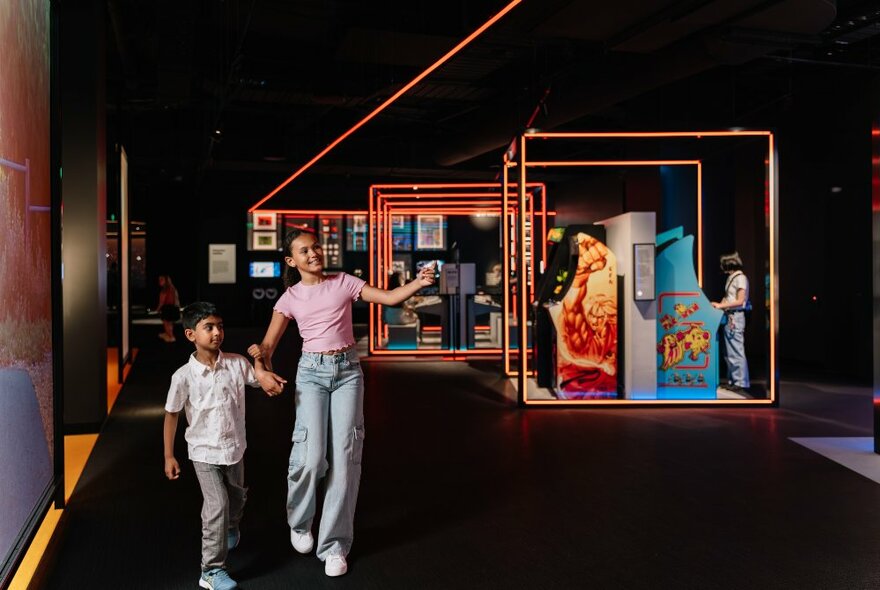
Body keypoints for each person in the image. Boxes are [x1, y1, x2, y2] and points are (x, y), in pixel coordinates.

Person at [248, 228, 435, 577]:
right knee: (312, 455)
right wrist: (261, 366)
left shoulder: (345, 282)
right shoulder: (289, 298)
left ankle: (334, 545)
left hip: (348, 371)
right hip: (312, 374)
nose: (314, 253)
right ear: (292, 261)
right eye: (304, 251)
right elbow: (267, 347)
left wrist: (418, 284)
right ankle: (301, 522)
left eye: (315, 247)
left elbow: (391, 298)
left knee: (346, 457)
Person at [163, 302, 268, 590]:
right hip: (203, 452)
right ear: (190, 334)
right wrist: (169, 455)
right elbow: (172, 414)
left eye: (220, 326)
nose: (217, 332)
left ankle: (231, 526)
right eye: (208, 327)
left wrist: (260, 361)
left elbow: (260, 382)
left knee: (236, 499)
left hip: (234, 448)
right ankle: (211, 570)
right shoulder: (183, 376)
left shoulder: (236, 363)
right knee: (217, 504)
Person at [711, 252, 751, 394]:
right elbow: (728, 298)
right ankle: (734, 381)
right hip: (729, 316)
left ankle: (740, 382)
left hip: (736, 317)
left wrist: (721, 306)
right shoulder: (732, 278)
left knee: (736, 350)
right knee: (729, 351)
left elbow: (740, 301)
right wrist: (719, 305)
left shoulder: (740, 278)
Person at [157, 274, 181, 343]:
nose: (159, 281)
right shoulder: (173, 288)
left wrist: (158, 309)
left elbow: (161, 302)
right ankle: (168, 334)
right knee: (169, 323)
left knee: (166, 323)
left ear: (166, 281)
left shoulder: (165, 290)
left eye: (161, 280)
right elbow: (177, 300)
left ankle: (171, 336)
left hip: (168, 309)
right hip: (174, 308)